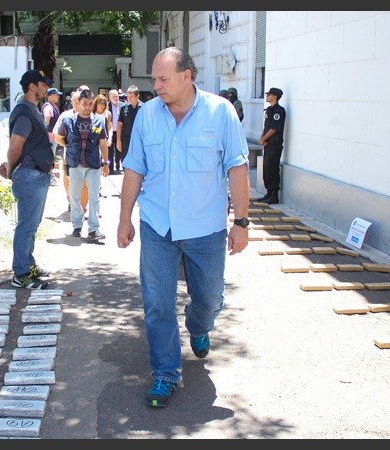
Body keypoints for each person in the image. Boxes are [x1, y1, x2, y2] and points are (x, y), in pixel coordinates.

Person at [117, 47, 250, 408]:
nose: (155, 85)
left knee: (208, 299)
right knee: (157, 303)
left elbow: (237, 168)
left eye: (162, 79)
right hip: (157, 224)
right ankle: (165, 373)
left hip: (205, 229)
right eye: (154, 79)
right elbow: (134, 168)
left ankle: (199, 325)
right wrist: (124, 218)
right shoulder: (146, 115)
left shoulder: (220, 112)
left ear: (186, 77)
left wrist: (241, 221)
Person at [0, 69, 55, 290]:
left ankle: (28, 265)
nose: (46, 87)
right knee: (26, 226)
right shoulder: (25, 112)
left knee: (32, 225)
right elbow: (15, 146)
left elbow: (23, 147)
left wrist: (11, 166)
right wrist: (10, 168)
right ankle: (21, 274)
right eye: (43, 83)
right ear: (32, 86)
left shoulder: (32, 110)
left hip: (35, 174)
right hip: (29, 176)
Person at [56, 89, 110, 240]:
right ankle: (77, 226)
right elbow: (58, 137)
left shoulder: (99, 121)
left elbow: (103, 143)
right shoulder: (68, 121)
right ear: (78, 103)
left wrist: (106, 163)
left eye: (90, 104)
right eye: (84, 103)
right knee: (74, 197)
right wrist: (69, 146)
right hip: (75, 163)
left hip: (93, 164)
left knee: (94, 197)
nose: (87, 107)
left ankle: (93, 229)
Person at [53, 89, 89, 214]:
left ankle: (82, 208)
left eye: (77, 101)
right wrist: (68, 145)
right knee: (67, 181)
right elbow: (56, 134)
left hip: (86, 157)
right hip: (69, 156)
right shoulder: (65, 116)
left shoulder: (90, 116)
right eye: (73, 102)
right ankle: (72, 203)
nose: (75, 104)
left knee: (84, 184)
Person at [256, 87, 286, 204]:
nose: (267, 96)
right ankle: (268, 192)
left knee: (273, 168)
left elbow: (274, 128)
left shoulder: (279, 111)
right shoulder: (269, 110)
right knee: (266, 168)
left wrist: (263, 138)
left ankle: (274, 195)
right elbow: (266, 126)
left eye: (269, 94)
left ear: (275, 96)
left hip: (275, 143)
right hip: (268, 143)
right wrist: (262, 138)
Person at [115, 85, 143, 167]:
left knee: (139, 163)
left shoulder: (143, 108)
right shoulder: (124, 108)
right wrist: (118, 141)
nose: (129, 99)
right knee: (126, 163)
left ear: (137, 96)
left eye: (131, 97)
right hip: (126, 140)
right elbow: (119, 125)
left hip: (140, 140)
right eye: (128, 97)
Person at [107, 89, 126, 174]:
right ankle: (110, 169)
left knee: (119, 149)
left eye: (117, 96)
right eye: (114, 96)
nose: (116, 98)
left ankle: (118, 165)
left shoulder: (123, 105)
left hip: (120, 132)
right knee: (110, 150)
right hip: (110, 131)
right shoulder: (107, 106)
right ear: (110, 97)